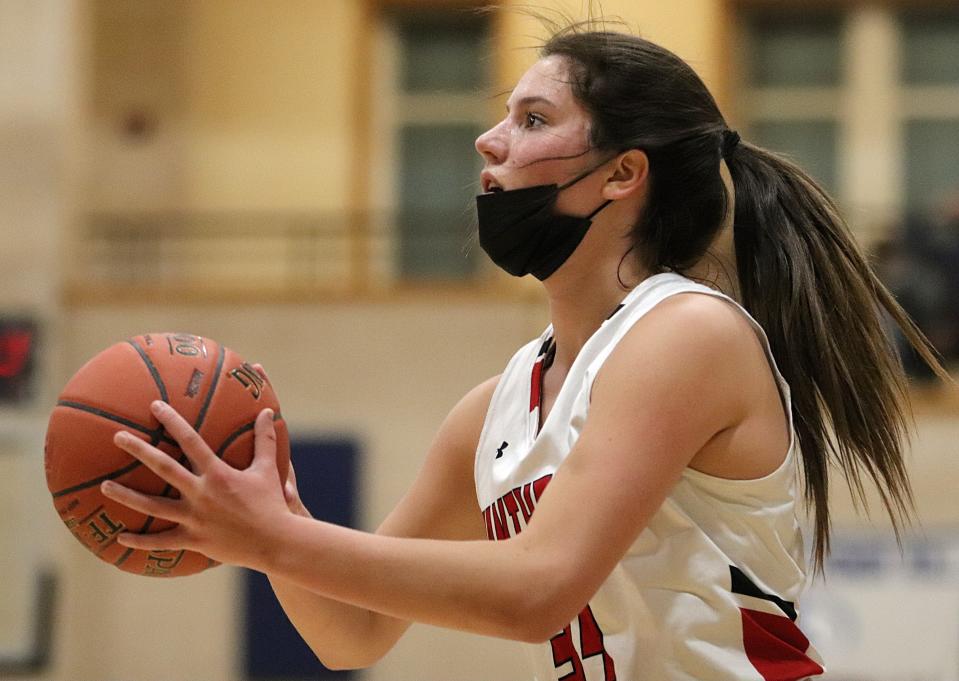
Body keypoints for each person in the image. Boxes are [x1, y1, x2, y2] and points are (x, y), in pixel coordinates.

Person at [99, 25, 947, 681]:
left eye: (532, 118)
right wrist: (265, 518)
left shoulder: (686, 334)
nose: (486, 140)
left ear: (621, 176)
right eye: (504, 113)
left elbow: (539, 588)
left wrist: (277, 540)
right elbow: (347, 631)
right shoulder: (495, 407)